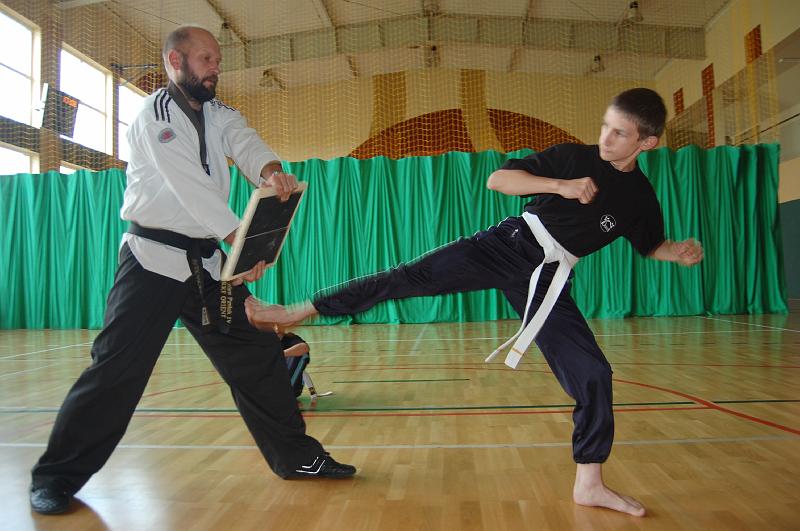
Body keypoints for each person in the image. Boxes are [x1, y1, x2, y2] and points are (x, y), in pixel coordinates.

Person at [245, 88, 704, 517]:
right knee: (405, 277)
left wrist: (676, 252)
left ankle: (590, 483)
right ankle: (297, 311)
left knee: (594, 374)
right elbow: (499, 178)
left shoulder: (640, 198)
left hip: (548, 278)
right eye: (605, 125)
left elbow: (650, 245)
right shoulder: (574, 157)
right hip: (507, 245)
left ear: (647, 143)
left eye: (620, 133)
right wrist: (560, 186)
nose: (606, 137)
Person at [29, 25, 355, 516]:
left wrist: (271, 172)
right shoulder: (154, 114)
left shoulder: (218, 112)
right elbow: (188, 186)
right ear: (175, 61)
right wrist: (239, 239)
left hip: (205, 264)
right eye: (206, 58)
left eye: (217, 59)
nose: (215, 67)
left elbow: (244, 141)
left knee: (257, 351)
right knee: (117, 368)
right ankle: (55, 478)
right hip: (152, 260)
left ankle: (298, 457)